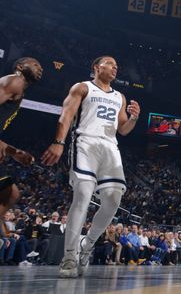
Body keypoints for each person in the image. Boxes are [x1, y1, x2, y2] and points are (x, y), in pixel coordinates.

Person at [41, 56, 141, 277]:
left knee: (114, 201)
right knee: (83, 195)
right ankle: (69, 257)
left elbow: (123, 130)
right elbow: (66, 115)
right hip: (85, 142)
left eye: (117, 65)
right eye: (109, 63)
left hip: (110, 147)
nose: (115, 67)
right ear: (96, 67)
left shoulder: (119, 97)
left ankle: (87, 244)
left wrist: (133, 118)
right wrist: (59, 142)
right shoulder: (82, 87)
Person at [0, 58, 42, 227]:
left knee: (11, 193)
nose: (40, 68)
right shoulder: (15, 80)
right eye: (35, 64)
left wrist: (14, 152)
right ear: (19, 67)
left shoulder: (17, 90)